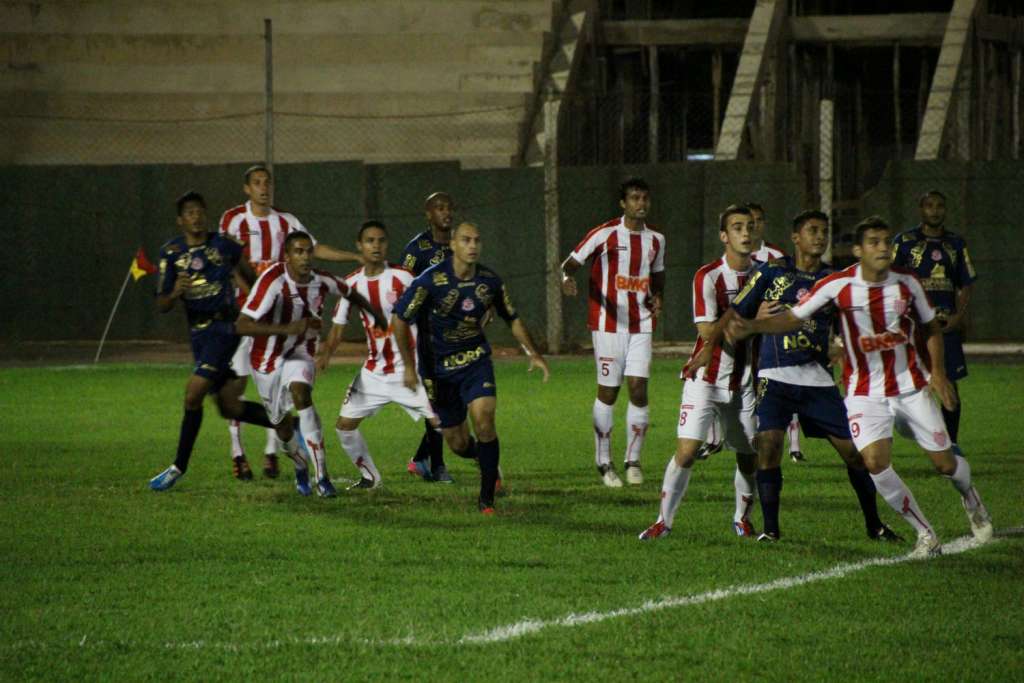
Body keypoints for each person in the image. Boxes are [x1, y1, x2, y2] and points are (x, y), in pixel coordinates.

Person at [729, 216, 992, 557]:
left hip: (908, 386)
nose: (883, 248)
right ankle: (925, 534)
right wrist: (751, 325)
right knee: (874, 462)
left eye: (886, 241)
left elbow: (930, 328)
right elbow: (794, 316)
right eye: (874, 242)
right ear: (858, 250)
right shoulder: (839, 285)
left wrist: (938, 374)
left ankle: (971, 500)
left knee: (945, 465)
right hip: (864, 391)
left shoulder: (907, 281)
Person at [694, 210, 900, 542]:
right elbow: (737, 312)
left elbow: (851, 324)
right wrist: (709, 348)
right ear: (796, 238)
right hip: (774, 376)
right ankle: (771, 530)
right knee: (770, 446)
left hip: (817, 378)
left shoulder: (835, 280)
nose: (820, 237)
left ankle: (874, 524)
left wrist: (842, 347)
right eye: (813, 231)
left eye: (824, 232)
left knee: (854, 453)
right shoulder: (771, 272)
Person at [392, 221, 550, 513]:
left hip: (475, 361)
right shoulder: (429, 281)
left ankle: (486, 499)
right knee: (458, 443)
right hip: (438, 371)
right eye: (465, 240)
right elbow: (400, 319)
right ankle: (480, 457)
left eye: (477, 240)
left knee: (485, 420)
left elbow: (511, 317)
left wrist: (533, 353)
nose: (472, 246)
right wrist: (408, 367)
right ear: (452, 244)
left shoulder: (490, 281)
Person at [219, 164, 361, 482]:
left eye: (267, 183)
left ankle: (272, 454)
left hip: (283, 331)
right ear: (247, 189)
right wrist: (256, 295)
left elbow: (316, 247)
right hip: (246, 321)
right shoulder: (233, 220)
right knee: (237, 387)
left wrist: (353, 256)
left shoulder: (287, 221)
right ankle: (237, 453)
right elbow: (226, 261)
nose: (263, 188)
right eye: (257, 183)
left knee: (283, 395)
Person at [638, 205, 759, 540]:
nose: (745, 233)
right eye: (737, 227)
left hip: (745, 381)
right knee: (687, 450)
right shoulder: (708, 276)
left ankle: (742, 518)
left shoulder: (765, 275)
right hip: (705, 377)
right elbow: (708, 332)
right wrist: (754, 321)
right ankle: (663, 521)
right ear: (724, 236)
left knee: (749, 456)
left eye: (749, 226)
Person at [234, 231, 385, 498]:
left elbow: (353, 294)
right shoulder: (272, 281)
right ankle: (300, 466)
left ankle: (322, 477)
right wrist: (287, 328)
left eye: (308, 252)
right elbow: (242, 325)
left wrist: (377, 318)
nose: (304, 257)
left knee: (302, 394)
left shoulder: (321, 280)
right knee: (281, 426)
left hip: (301, 352)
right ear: (287, 256)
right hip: (266, 360)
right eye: (298, 252)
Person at [149, 191, 281, 491]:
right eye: (190, 212)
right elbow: (161, 303)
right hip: (198, 333)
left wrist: (252, 301)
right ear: (180, 220)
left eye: (200, 211)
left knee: (193, 394)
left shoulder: (224, 245)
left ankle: (177, 466)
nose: (196, 216)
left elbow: (251, 278)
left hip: (225, 327)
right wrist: (174, 293)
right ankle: (292, 426)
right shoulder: (170, 253)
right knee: (230, 407)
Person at [316, 221, 442, 489]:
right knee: (344, 426)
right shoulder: (351, 283)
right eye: (370, 241)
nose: (376, 245)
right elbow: (338, 327)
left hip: (411, 369)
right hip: (374, 372)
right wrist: (325, 354)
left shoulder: (404, 277)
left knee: (447, 427)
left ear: (387, 244)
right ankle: (370, 477)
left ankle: (489, 467)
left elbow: (432, 307)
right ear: (359, 246)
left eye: (381, 241)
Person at [561, 177, 665, 487]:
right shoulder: (605, 234)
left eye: (644, 198)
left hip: (642, 324)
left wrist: (658, 297)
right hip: (607, 324)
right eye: (634, 198)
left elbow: (658, 276)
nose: (641, 203)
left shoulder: (656, 240)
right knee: (609, 392)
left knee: (638, 389)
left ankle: (633, 461)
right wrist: (567, 279)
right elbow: (570, 263)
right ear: (623, 203)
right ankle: (603, 461)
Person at [892, 190, 977, 453]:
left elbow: (965, 284)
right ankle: (890, 436)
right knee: (901, 385)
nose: (935, 210)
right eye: (930, 205)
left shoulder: (956, 244)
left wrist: (957, 317)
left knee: (949, 384)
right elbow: (890, 279)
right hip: (911, 328)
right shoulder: (904, 242)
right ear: (921, 209)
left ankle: (951, 443)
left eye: (940, 205)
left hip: (943, 327)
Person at [399, 191, 454, 482]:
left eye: (449, 208)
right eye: (439, 208)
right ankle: (437, 466)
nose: (446, 213)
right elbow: (401, 287)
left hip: (458, 337)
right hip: (428, 338)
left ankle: (420, 459)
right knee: (436, 402)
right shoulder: (417, 250)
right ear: (428, 214)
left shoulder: (460, 243)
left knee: (450, 402)